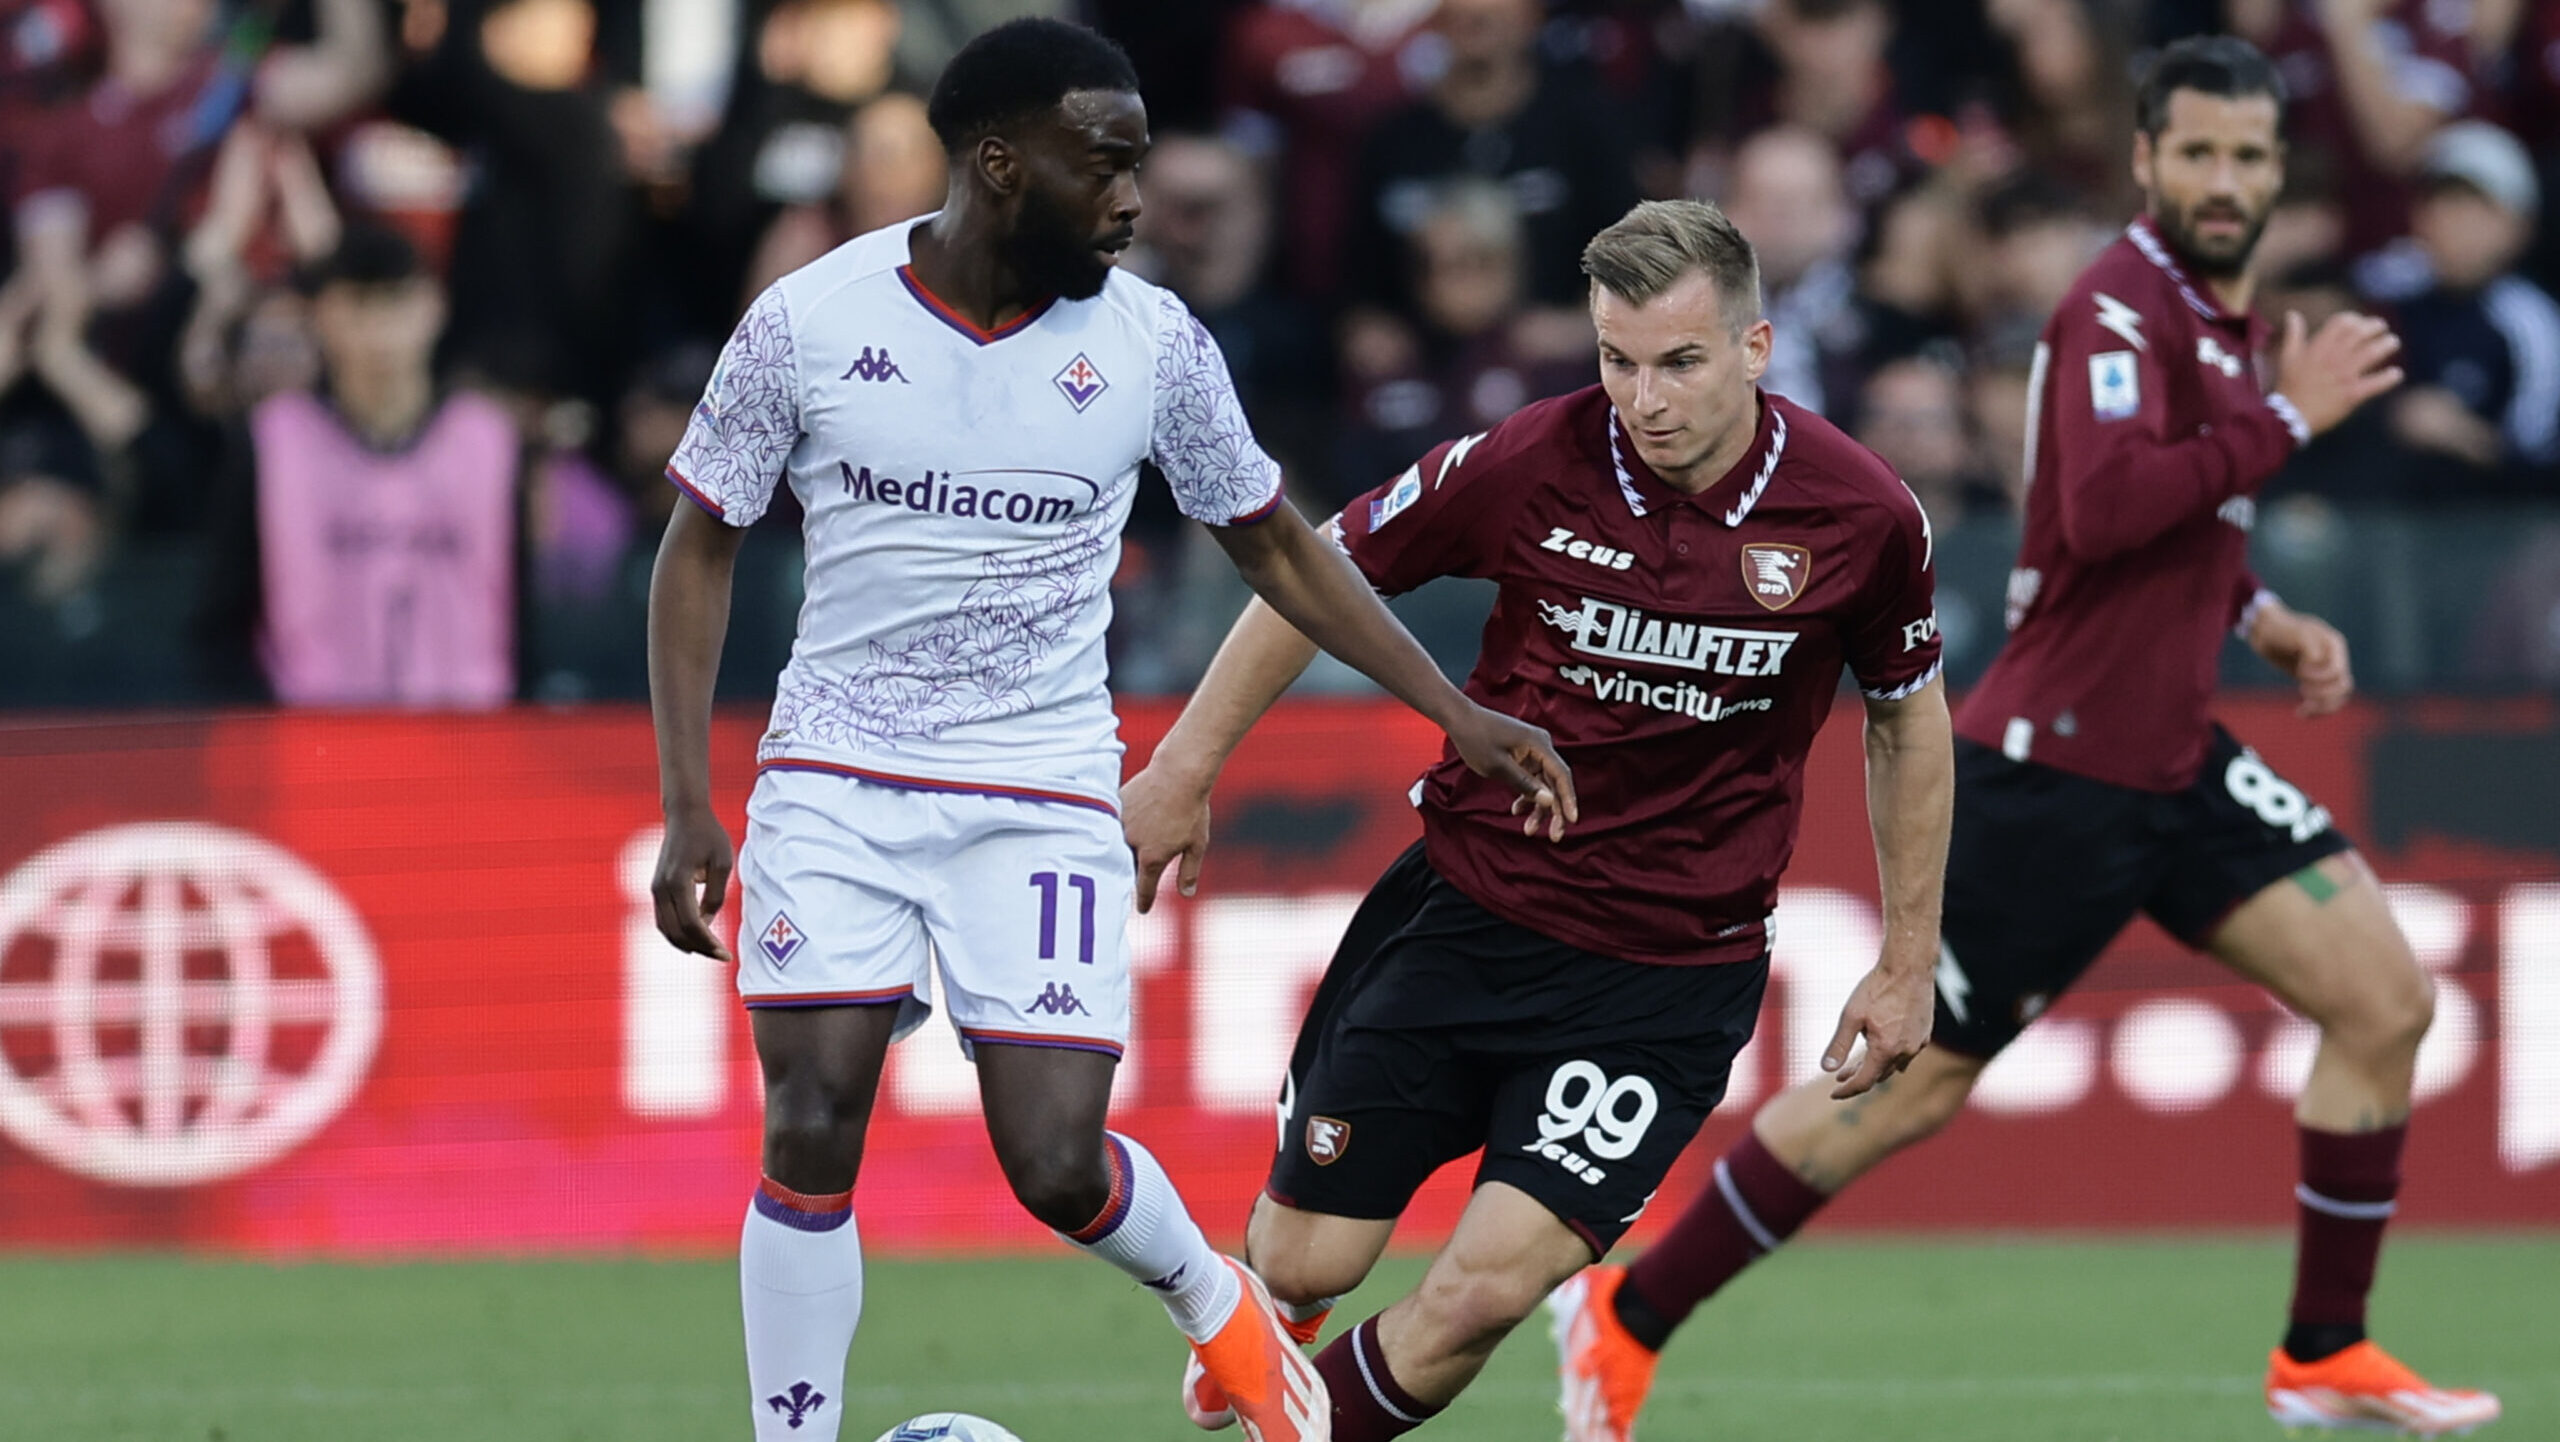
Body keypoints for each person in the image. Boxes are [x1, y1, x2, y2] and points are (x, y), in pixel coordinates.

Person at [1548, 37, 2503, 1441]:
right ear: (2146, 160)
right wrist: (2292, 416)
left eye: (2250, 155)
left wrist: (2266, 610)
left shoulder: (2213, 315)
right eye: (2200, 153)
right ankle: (1628, 1312)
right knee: (1902, 1094)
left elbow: (2161, 528)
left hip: (2172, 756)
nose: (2226, 180)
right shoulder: (2119, 310)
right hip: (2054, 773)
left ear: (2276, 167)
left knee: (2385, 1001)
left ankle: (2324, 1349)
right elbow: (2108, 510)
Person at [643, 21, 1575, 1442]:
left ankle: (1215, 1301)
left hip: (1037, 786)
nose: (1138, 198)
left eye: (1140, 162)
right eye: (1108, 165)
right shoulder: (812, 318)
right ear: (1001, 163)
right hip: (836, 773)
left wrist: (1450, 707)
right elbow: (697, 545)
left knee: (1057, 1163)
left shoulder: (1152, 344)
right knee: (812, 1117)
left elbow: (1275, 541)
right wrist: (688, 799)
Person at [1125, 197, 1953, 1440]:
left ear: (1755, 346)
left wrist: (1903, 958)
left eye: (1679, 362)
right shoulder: (1531, 457)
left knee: (1478, 1293)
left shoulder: (1863, 516)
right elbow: (1312, 572)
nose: (1645, 399)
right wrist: (1185, 761)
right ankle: (1274, 1320)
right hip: (1470, 912)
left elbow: (1906, 718)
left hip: (1668, 973)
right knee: (1302, 1258)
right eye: (1618, 361)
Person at [195, 226, 520, 707]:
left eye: (395, 302)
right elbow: (218, 624)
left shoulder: (490, 441)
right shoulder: (273, 442)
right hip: (318, 743)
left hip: (469, 742)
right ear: (321, 315)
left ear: (434, 307)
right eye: (358, 306)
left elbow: (524, 616)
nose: (379, 331)